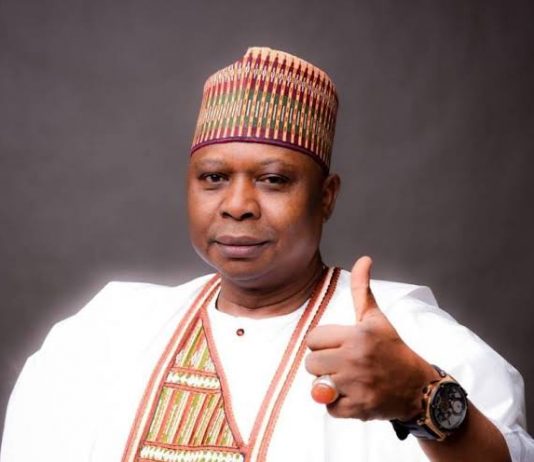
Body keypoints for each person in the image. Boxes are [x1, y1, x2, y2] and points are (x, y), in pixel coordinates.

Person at [1, 46, 533, 462]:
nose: (237, 205)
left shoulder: (408, 339)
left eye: (274, 180)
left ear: (326, 197)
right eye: (213, 178)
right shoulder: (106, 333)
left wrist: (420, 396)